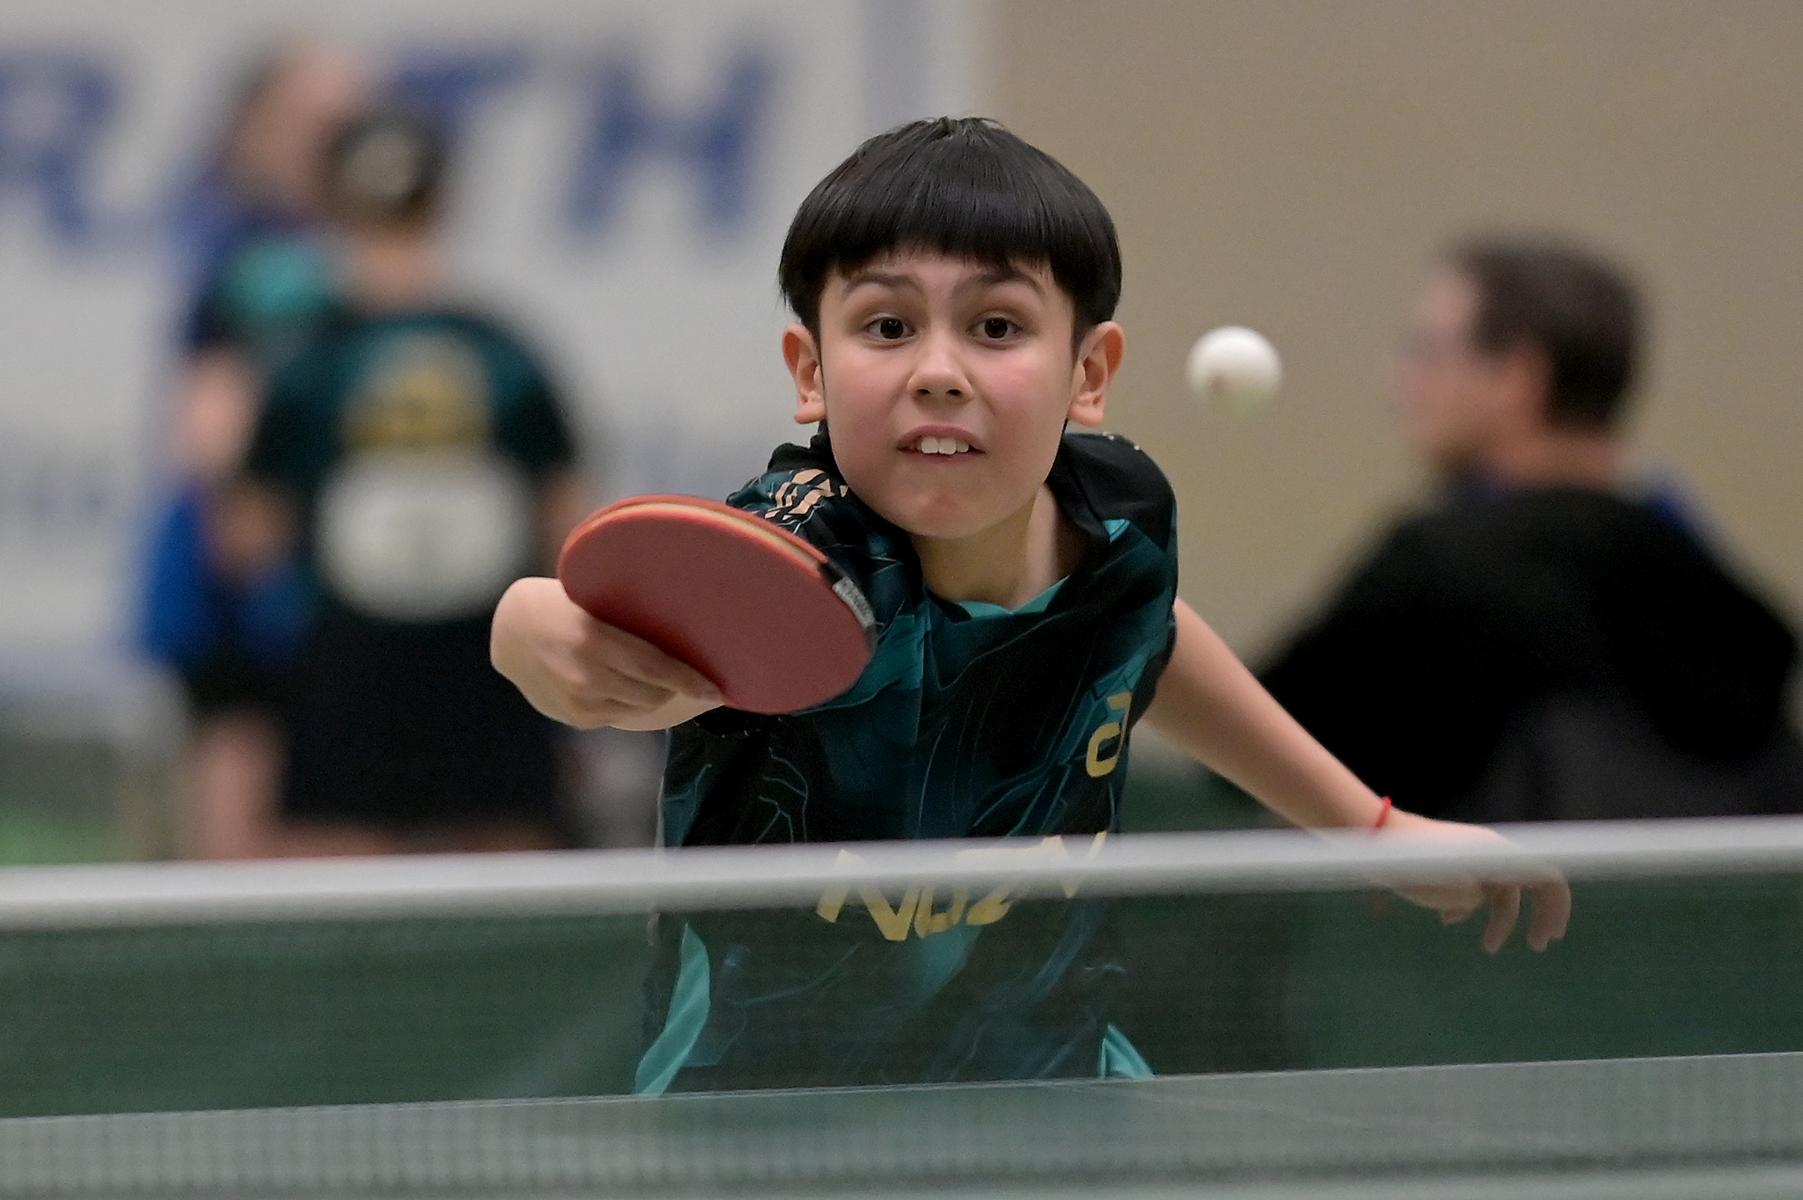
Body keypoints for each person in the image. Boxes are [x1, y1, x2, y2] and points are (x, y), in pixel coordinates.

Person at [489, 118, 1571, 1092]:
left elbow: (1144, 636)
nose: (939, 371)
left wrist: (1369, 827)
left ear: (1088, 374)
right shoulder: (798, 556)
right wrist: (529, 625)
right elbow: (624, 637)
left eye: (998, 326)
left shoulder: (1122, 529)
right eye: (886, 326)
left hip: (1053, 1086)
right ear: (809, 371)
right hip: (763, 1114)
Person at [1259, 237, 1803, 823]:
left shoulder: (1438, 566)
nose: (1400, 383)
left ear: (1514, 377)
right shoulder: (1711, 591)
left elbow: (1263, 748)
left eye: (1427, 352)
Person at [230, 108, 590, 855]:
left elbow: (247, 537)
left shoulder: (307, 362)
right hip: (490, 664)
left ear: (332, 207)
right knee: (507, 873)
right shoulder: (503, 352)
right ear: (443, 202)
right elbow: (570, 528)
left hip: (349, 668)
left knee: (339, 876)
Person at [137, 43, 370, 858]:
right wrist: (257, 556)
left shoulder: (327, 249)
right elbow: (209, 430)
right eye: (325, 122)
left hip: (309, 578)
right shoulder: (260, 259)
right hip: (246, 587)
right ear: (262, 127)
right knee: (244, 788)